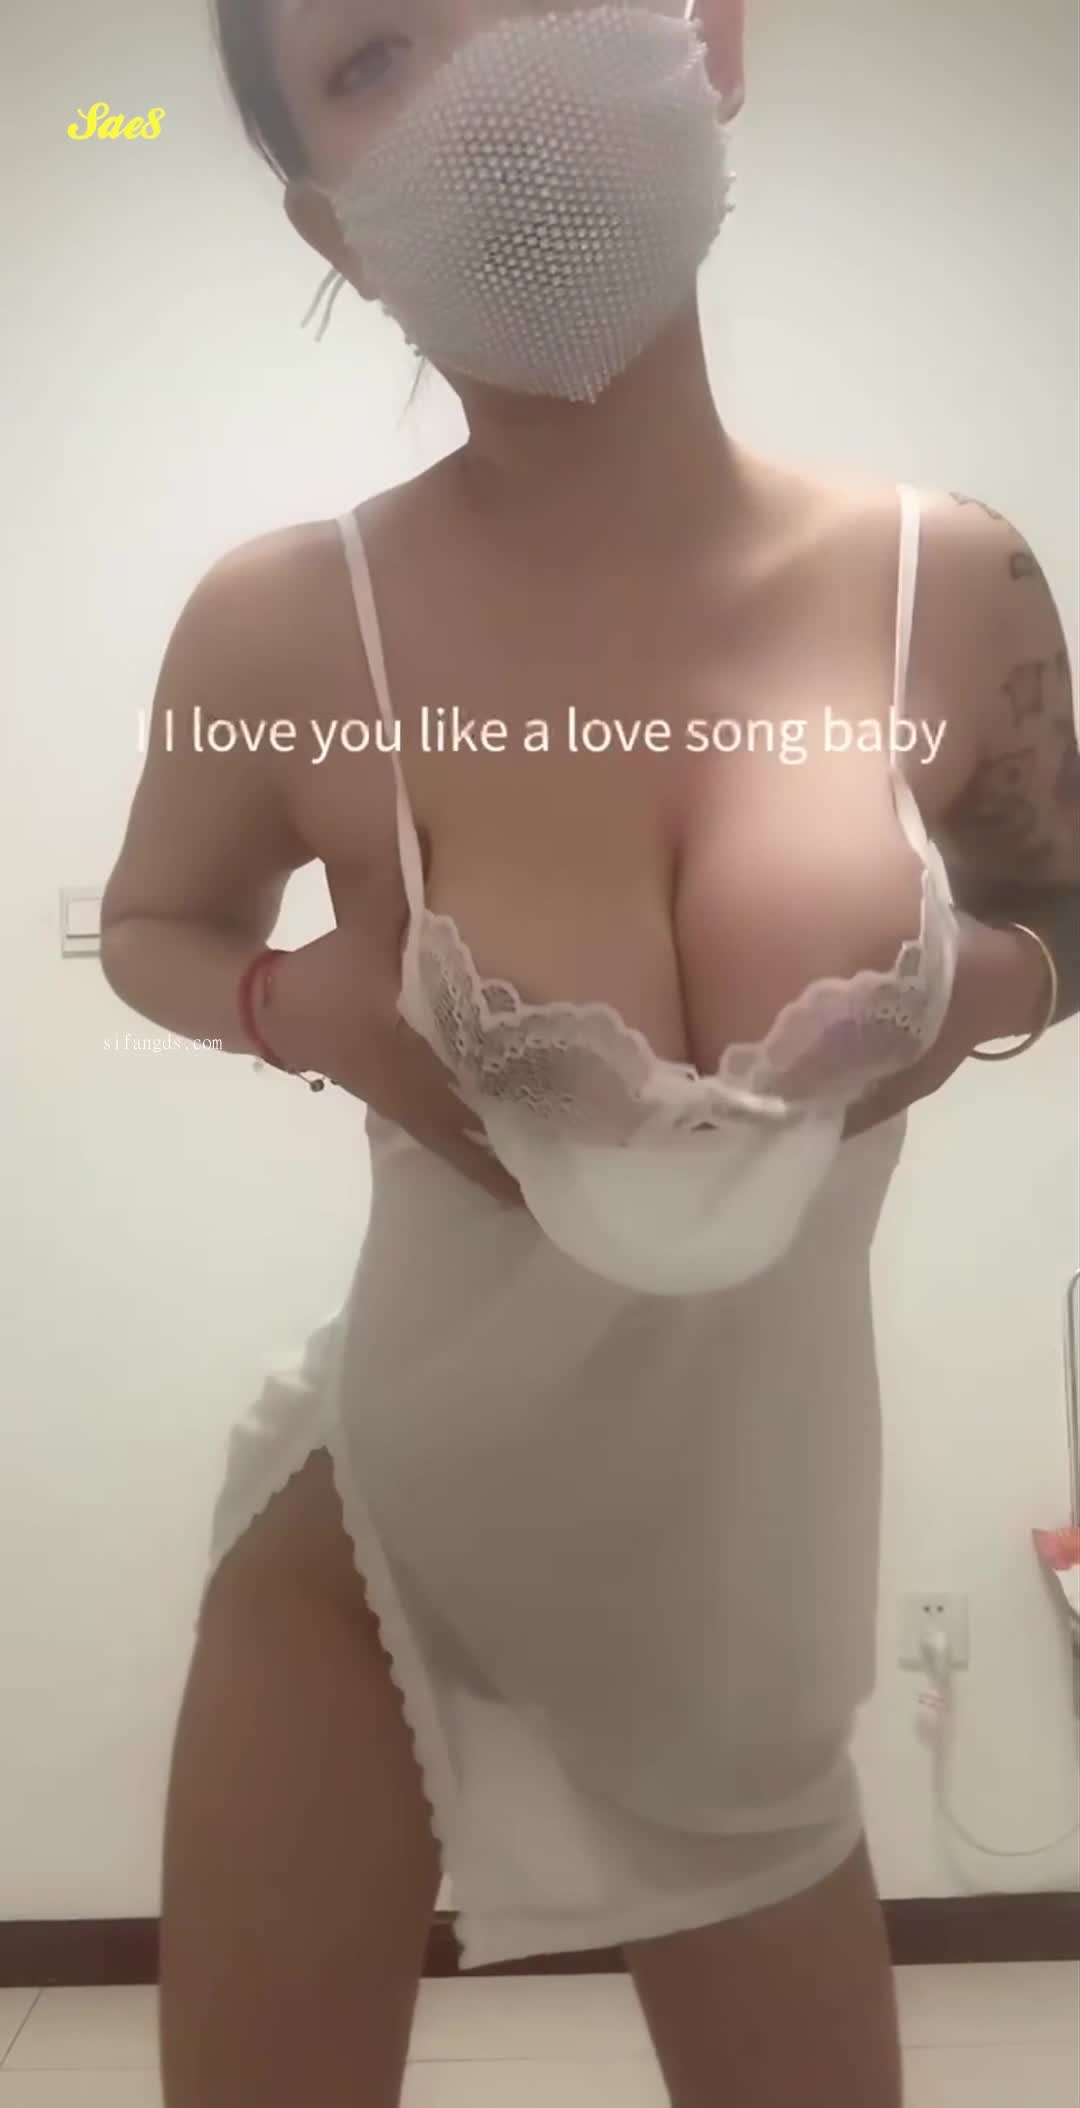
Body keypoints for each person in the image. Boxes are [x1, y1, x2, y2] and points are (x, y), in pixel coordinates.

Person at [99, 3, 1080, 2103]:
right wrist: (298, 1007)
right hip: (387, 1550)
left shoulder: (957, 584)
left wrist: (975, 995)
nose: (483, 78)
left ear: (701, 38)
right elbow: (153, 931)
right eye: (374, 54)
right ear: (329, 221)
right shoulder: (288, 627)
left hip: (736, 1612)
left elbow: (1071, 908)